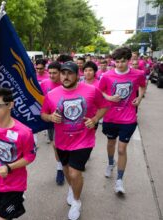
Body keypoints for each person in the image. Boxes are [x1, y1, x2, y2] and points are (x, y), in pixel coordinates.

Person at [41, 61, 108, 220]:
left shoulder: (91, 90)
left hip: (84, 140)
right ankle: (72, 189)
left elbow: (104, 105)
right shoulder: (52, 94)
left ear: (78, 75)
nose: (66, 76)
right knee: (66, 170)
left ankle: (77, 202)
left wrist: (95, 119)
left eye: (70, 73)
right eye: (63, 73)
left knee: (75, 172)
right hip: (62, 141)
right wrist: (50, 117)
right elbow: (43, 114)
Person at [0, 87, 36, 220]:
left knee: (3, 217)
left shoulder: (24, 132)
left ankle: (17, 199)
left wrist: (9, 167)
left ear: (10, 105)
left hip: (14, 184)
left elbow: (30, 156)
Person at [99, 47, 147, 194]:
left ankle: (119, 181)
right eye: (117, 62)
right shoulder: (107, 75)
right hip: (111, 117)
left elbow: (143, 86)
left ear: (129, 60)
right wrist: (108, 97)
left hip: (128, 117)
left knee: (122, 149)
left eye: (123, 61)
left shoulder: (138, 74)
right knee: (111, 143)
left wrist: (139, 98)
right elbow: (100, 91)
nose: (119, 65)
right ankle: (110, 163)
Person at [40, 61, 64, 185]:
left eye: (55, 73)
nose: (52, 75)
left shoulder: (67, 84)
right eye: (49, 73)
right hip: (51, 118)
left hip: (68, 120)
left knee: (67, 146)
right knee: (55, 145)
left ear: (61, 73)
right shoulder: (44, 84)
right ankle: (60, 167)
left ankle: (69, 164)